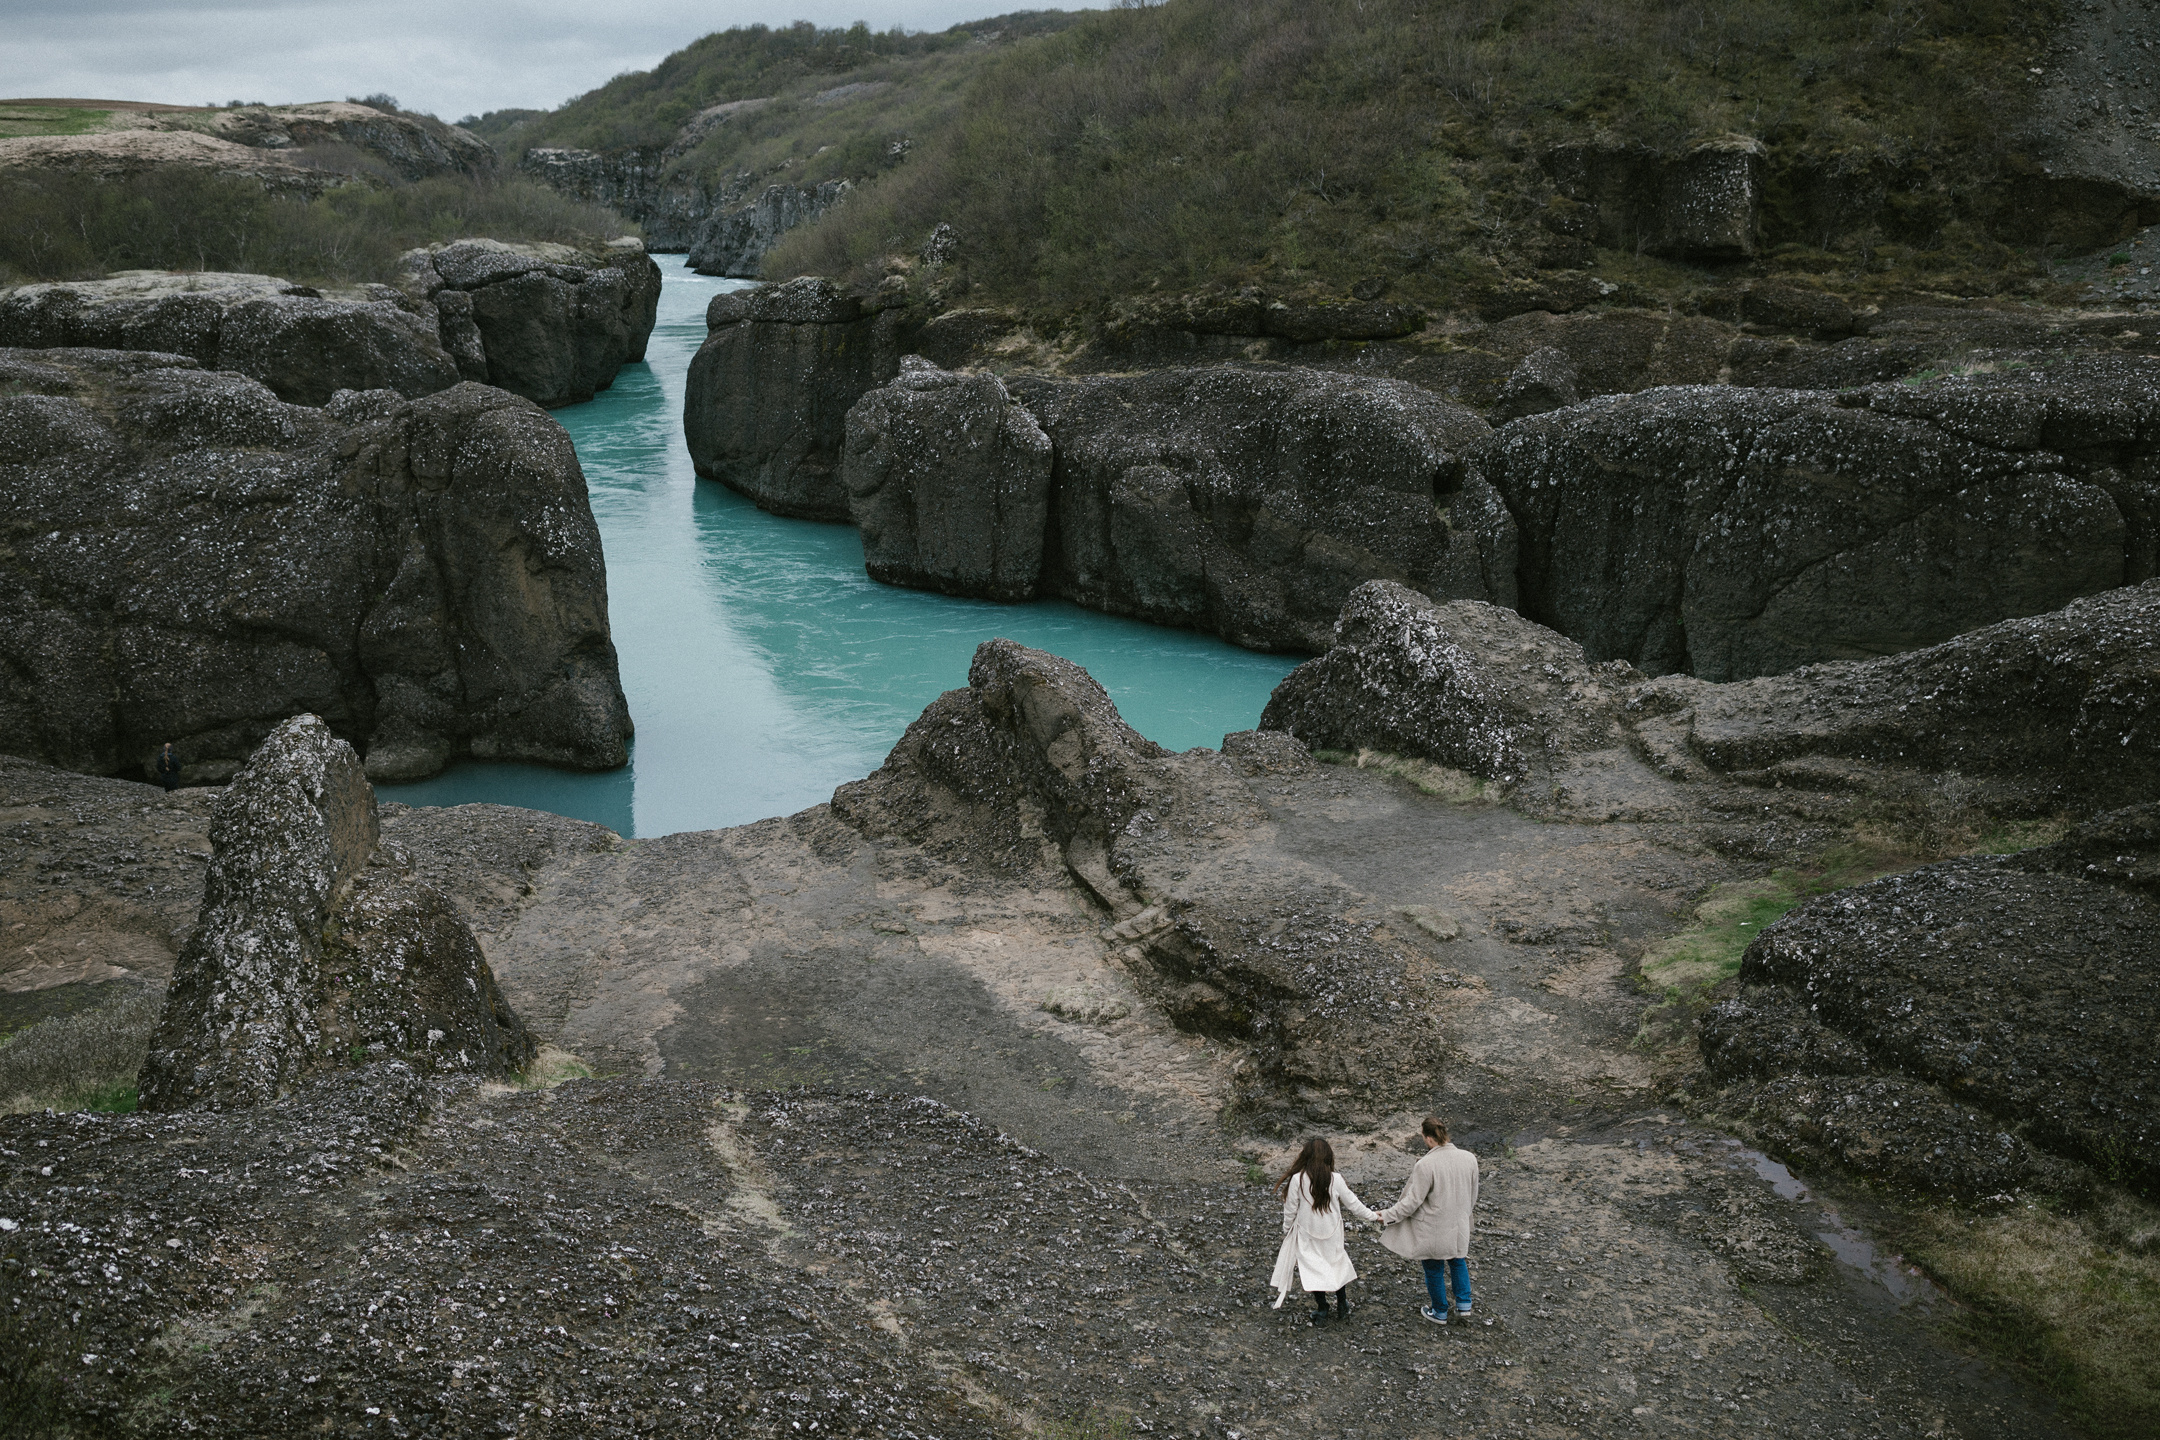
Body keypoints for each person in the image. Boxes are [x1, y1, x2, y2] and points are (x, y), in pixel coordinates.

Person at [1377, 1115, 1481, 1325]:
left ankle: (1440, 1311)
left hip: (1435, 1227)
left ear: (1427, 1138)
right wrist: (1463, 1214)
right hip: (1459, 1223)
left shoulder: (1426, 1164)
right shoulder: (1469, 1158)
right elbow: (1473, 1194)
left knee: (1433, 1267)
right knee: (1458, 1260)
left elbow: (1412, 1202)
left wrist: (1387, 1215)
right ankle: (1464, 1305)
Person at [1268, 1136, 1380, 1326]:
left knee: (1314, 1269)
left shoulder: (1298, 1179)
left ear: (1306, 1156)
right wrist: (1374, 1216)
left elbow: (1290, 1209)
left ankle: (1322, 1308)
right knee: (1336, 1265)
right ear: (1328, 1156)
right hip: (1332, 1232)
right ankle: (1342, 1305)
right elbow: (1353, 1204)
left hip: (1307, 1233)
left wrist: (1287, 1229)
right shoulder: (1335, 1179)